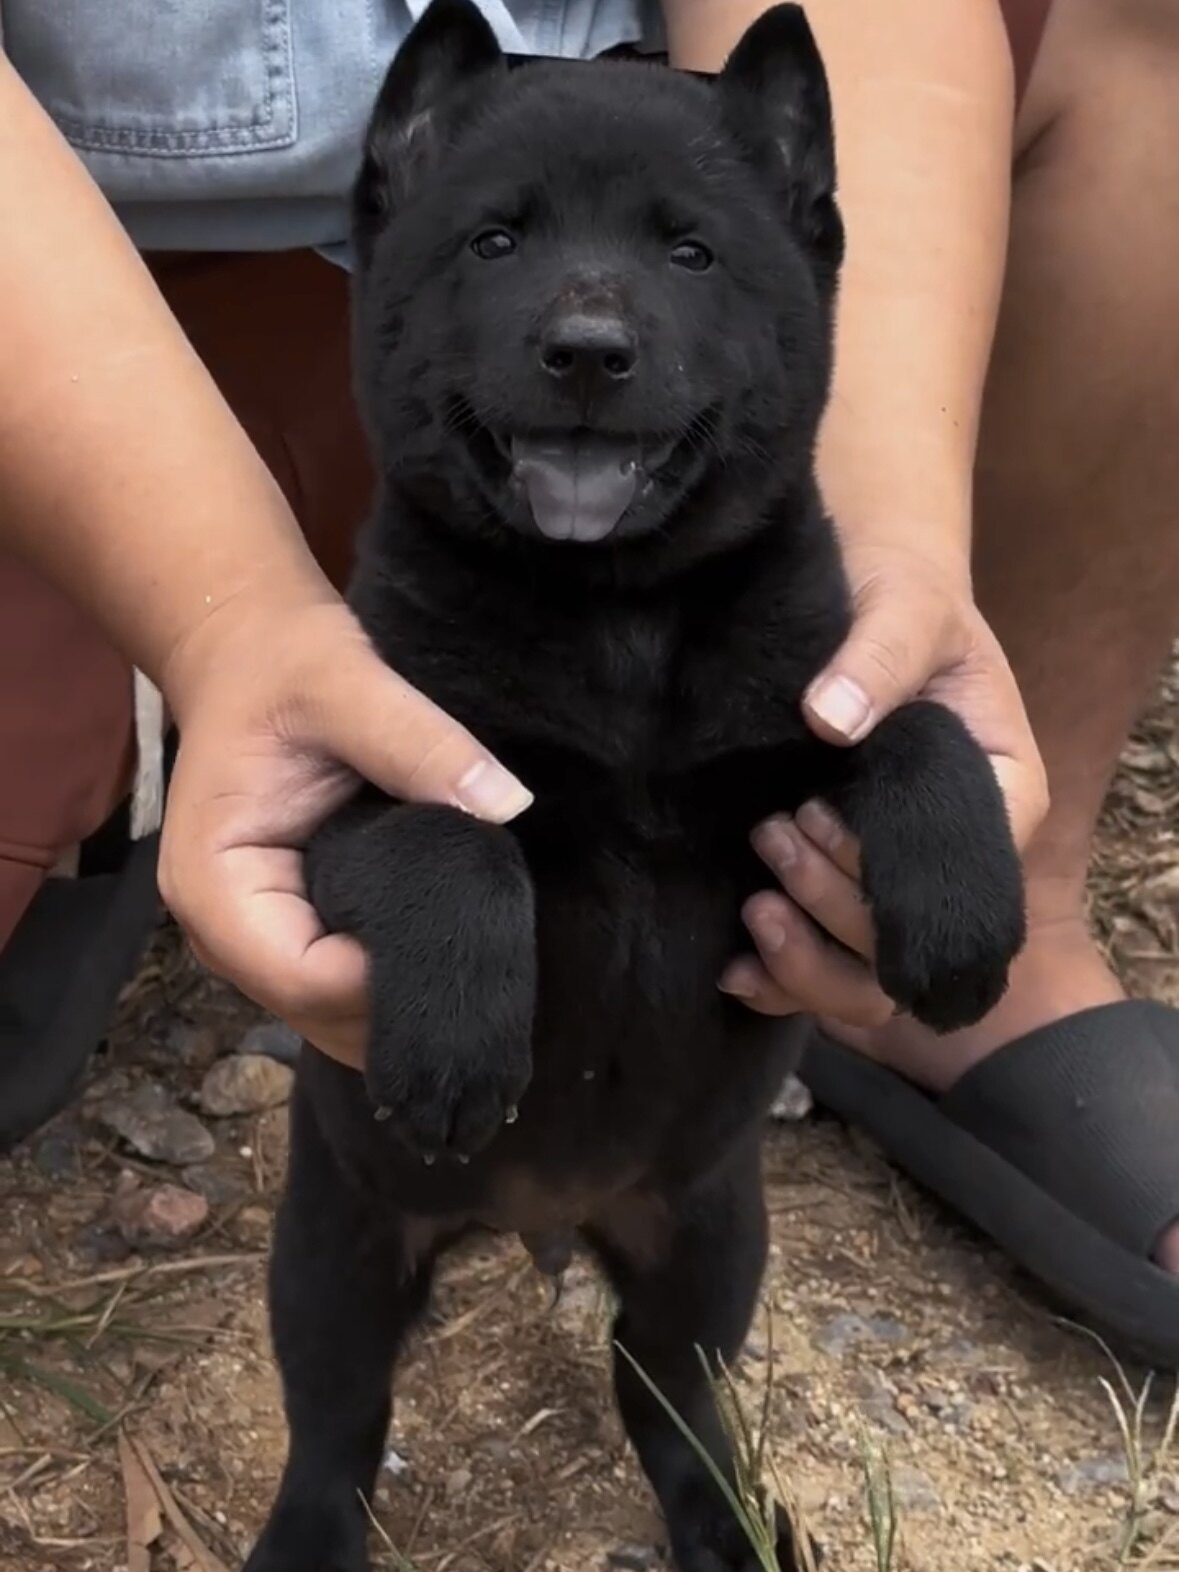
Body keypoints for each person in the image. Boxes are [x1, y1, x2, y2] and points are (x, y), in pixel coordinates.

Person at [0, 0, 1175, 1364]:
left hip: (696, 252)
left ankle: (1017, 917)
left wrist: (890, 544)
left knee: (1132, 24)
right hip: (99, 290)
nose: (589, 320)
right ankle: (129, 727)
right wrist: (220, 619)